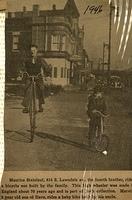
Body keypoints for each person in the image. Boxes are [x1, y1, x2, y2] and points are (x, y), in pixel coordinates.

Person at [22, 44, 50, 113]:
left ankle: (40, 106)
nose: (32, 52)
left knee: (41, 88)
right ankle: (26, 107)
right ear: (29, 51)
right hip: (29, 76)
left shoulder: (40, 59)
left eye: (34, 50)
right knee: (27, 88)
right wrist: (21, 73)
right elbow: (23, 67)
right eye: (31, 51)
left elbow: (46, 67)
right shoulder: (27, 59)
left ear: (36, 51)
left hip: (38, 76)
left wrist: (47, 75)